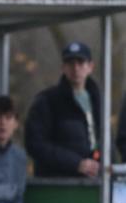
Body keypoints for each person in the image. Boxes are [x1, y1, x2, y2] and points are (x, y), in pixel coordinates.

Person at [25, 41, 101, 178]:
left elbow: (105, 141)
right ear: (63, 67)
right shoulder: (46, 101)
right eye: (70, 63)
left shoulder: (98, 101)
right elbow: (35, 144)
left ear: (90, 66)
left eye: (81, 62)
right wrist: (76, 164)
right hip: (58, 186)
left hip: (95, 185)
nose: (76, 68)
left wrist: (105, 166)